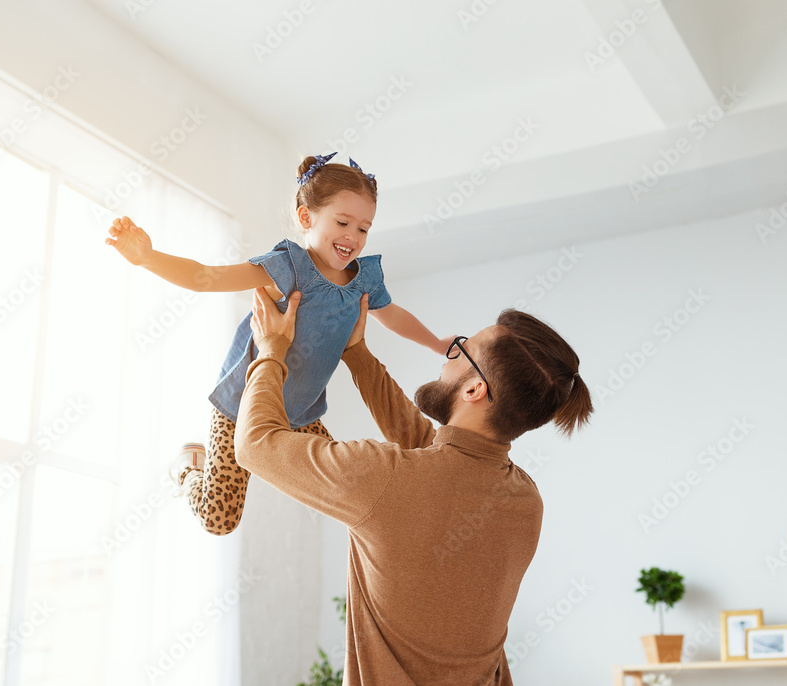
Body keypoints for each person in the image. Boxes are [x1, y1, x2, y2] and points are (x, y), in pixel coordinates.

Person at [239, 285, 593, 685]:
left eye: (462, 349)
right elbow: (436, 458)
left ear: (475, 389)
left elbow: (255, 445)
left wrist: (270, 349)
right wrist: (356, 353)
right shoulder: (525, 501)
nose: (449, 353)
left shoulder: (388, 480)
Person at [105, 153, 452, 534]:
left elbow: (394, 315)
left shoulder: (364, 280)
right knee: (219, 521)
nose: (354, 237)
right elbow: (209, 277)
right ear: (306, 218)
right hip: (243, 407)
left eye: (364, 228)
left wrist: (436, 344)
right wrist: (148, 258)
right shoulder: (287, 268)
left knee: (346, 491)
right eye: (343, 222)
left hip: (301, 414)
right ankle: (188, 468)